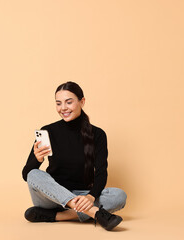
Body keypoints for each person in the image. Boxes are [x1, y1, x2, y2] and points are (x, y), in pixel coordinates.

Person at [22, 81, 127, 231]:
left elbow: (102, 172)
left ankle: (58, 216)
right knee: (34, 174)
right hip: (52, 196)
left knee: (119, 196)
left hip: (83, 195)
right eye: (58, 103)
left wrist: (91, 197)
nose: (63, 108)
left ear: (82, 102)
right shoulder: (48, 131)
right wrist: (37, 159)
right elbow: (26, 175)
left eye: (69, 102)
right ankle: (94, 213)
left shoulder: (98, 134)